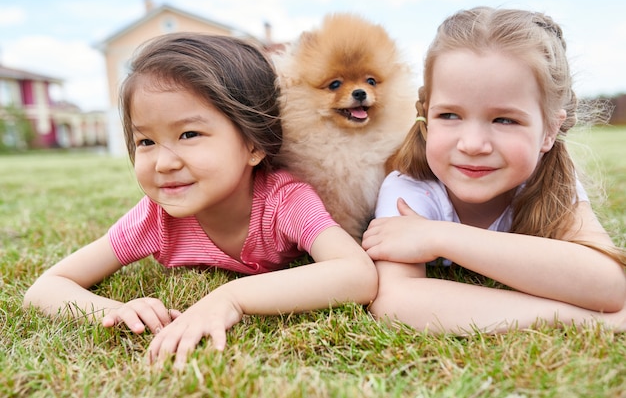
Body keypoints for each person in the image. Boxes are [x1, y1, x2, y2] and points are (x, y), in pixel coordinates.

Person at [24, 33, 377, 368]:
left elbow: (358, 275)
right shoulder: (155, 218)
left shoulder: (284, 201)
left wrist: (232, 297)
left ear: (253, 145)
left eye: (189, 134)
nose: (164, 163)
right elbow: (45, 289)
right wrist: (114, 311)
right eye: (146, 141)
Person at [362, 7, 626, 334]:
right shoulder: (412, 188)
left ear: (549, 131)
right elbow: (396, 300)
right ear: (427, 115)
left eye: (505, 120)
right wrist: (572, 317)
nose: (473, 144)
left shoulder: (551, 182)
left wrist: (440, 237)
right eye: (450, 115)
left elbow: (609, 285)